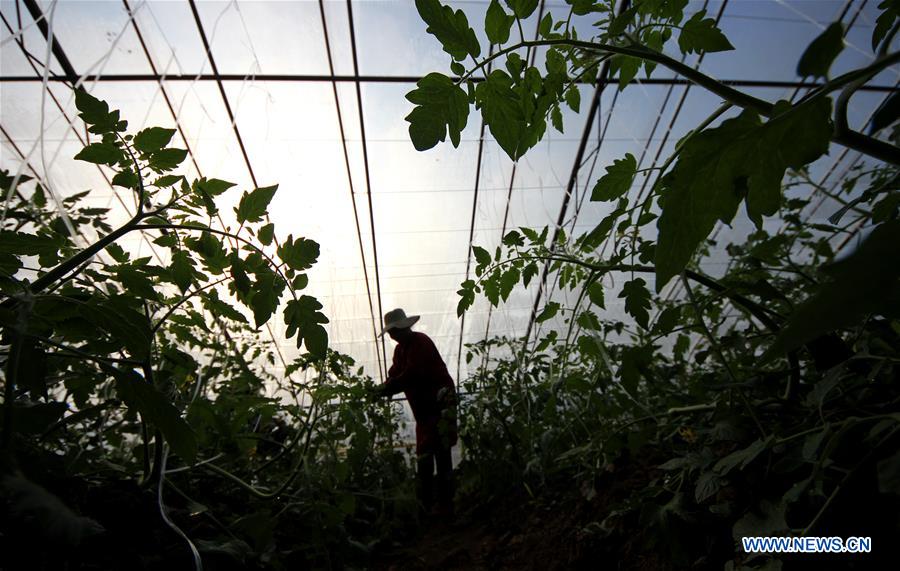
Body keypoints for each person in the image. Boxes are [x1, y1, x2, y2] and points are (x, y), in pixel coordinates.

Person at [370, 308, 458, 516]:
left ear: (403, 328)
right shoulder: (401, 349)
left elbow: (410, 375)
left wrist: (384, 390)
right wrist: (383, 388)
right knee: (427, 453)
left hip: (440, 405)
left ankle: (443, 505)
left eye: (393, 331)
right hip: (425, 410)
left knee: (439, 452)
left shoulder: (421, 344)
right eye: (390, 332)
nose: (391, 335)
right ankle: (430, 505)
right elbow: (395, 374)